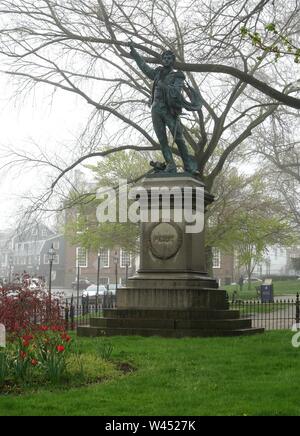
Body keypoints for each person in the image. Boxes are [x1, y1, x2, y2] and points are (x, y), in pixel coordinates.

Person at [129, 43, 202, 175]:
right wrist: (135, 54)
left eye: (169, 58)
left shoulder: (177, 76)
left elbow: (175, 93)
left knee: (178, 138)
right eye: (165, 58)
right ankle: (170, 165)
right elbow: (145, 68)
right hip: (156, 109)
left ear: (173, 61)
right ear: (162, 60)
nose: (167, 60)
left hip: (168, 110)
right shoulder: (157, 73)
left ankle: (189, 166)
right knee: (162, 140)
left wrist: (163, 86)